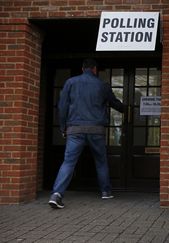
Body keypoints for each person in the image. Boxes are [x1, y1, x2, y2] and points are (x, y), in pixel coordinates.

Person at [48, 59, 124, 209]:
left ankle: (56, 194)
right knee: (101, 161)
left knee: (68, 162)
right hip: (96, 130)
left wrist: (63, 127)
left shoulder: (70, 82)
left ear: (82, 69)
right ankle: (106, 192)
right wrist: (127, 107)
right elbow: (116, 105)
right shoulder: (103, 85)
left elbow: (62, 106)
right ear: (95, 70)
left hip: (75, 129)